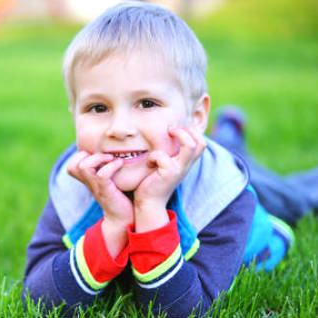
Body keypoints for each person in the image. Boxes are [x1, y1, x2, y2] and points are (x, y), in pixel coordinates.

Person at [23, 2, 314, 316]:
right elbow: (38, 299)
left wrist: (149, 208)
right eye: (98, 108)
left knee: (296, 198)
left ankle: (228, 133)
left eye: (147, 103)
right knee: (230, 148)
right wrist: (115, 224)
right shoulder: (76, 182)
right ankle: (228, 128)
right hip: (188, 145)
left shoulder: (222, 192)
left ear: (195, 115)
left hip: (247, 194)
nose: (119, 129)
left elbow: (183, 309)